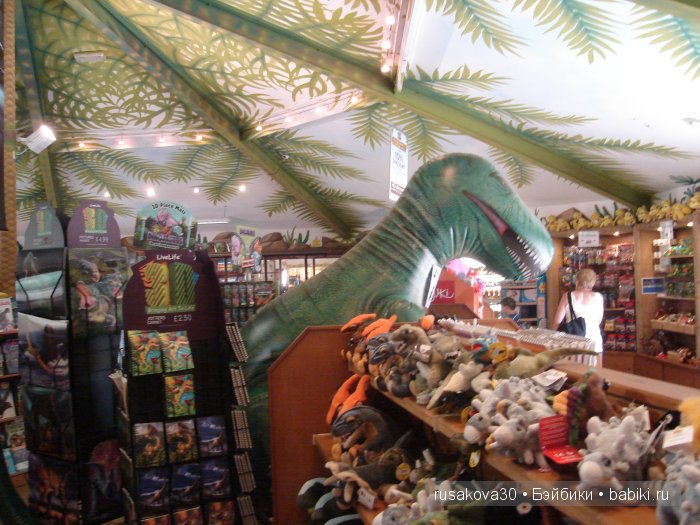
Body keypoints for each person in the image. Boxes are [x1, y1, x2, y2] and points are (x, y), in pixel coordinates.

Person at [551, 268, 604, 366]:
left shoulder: (567, 296)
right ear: (593, 282)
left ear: (577, 280)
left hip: (573, 343)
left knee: (573, 373)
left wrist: (553, 341)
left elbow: (556, 323)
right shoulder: (598, 297)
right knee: (595, 374)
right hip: (594, 342)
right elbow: (598, 321)